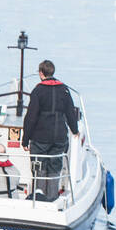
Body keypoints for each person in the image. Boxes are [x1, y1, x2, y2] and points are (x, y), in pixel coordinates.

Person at [22, 60, 79, 201]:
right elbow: (70, 113)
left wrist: (25, 139)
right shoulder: (64, 90)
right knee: (55, 167)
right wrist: (75, 130)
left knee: (38, 167)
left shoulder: (38, 91)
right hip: (59, 135)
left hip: (40, 136)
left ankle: (39, 197)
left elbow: (31, 117)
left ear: (41, 73)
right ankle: (52, 198)